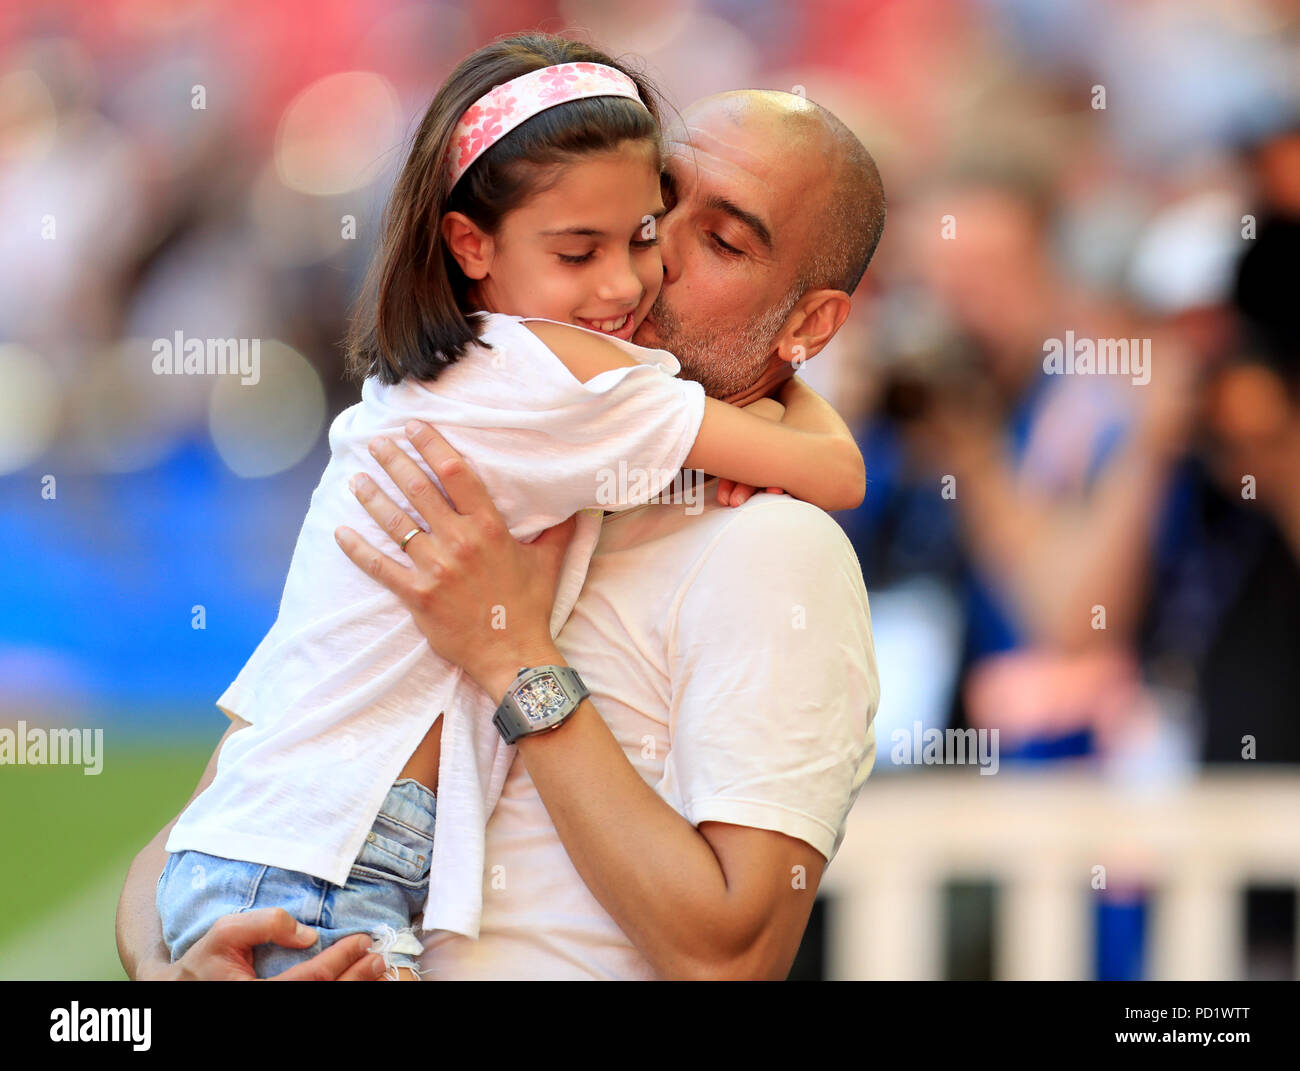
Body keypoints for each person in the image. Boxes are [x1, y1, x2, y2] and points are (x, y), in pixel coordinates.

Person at [116, 82, 887, 980]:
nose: (652, 255)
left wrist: (518, 660)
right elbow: (224, 803)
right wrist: (177, 970)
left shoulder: (776, 548)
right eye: (657, 202)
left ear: (809, 322)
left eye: (721, 240)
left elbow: (734, 956)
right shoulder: (489, 456)